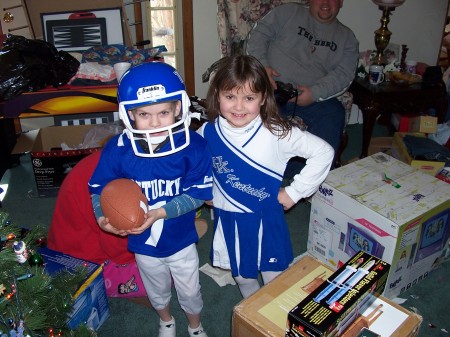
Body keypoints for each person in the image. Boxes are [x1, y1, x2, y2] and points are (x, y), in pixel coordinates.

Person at [88, 62, 213, 337]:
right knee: (156, 288)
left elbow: (198, 195)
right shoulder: (118, 149)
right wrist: (103, 217)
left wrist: (159, 213)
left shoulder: (194, 147)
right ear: (129, 113)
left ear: (179, 108)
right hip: (142, 242)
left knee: (190, 289)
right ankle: (166, 320)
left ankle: (195, 325)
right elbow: (98, 188)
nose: (155, 122)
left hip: (179, 237)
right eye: (144, 114)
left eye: (164, 112)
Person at [197, 54, 334, 298]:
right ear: (217, 95)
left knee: (276, 282)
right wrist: (205, 190)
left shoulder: (277, 132)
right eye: (230, 97)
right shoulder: (207, 131)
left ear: (263, 98)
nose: (239, 107)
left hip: (266, 218)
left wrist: (294, 191)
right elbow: (194, 162)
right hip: (230, 220)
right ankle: (254, 315)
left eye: (249, 98)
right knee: (243, 277)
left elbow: (323, 152)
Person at [246, 0, 359, 168]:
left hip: (312, 97)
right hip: (271, 87)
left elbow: (344, 75)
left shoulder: (347, 38)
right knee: (254, 111)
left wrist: (314, 93)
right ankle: (263, 170)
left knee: (334, 114)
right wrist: (262, 67)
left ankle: (313, 174)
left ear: (341, 2)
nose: (326, 3)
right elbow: (258, 36)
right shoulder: (287, 13)